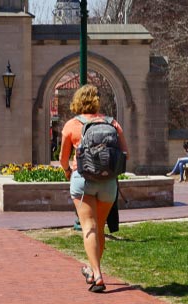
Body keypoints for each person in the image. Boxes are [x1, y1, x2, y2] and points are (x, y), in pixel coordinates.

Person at [59, 85, 128, 293]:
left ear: (77, 103)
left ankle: (97, 275)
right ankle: (92, 268)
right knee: (99, 228)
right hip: (108, 183)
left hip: (83, 181)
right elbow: (125, 154)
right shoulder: (112, 123)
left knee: (88, 227)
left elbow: (63, 159)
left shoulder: (72, 125)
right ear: (97, 102)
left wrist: (68, 172)